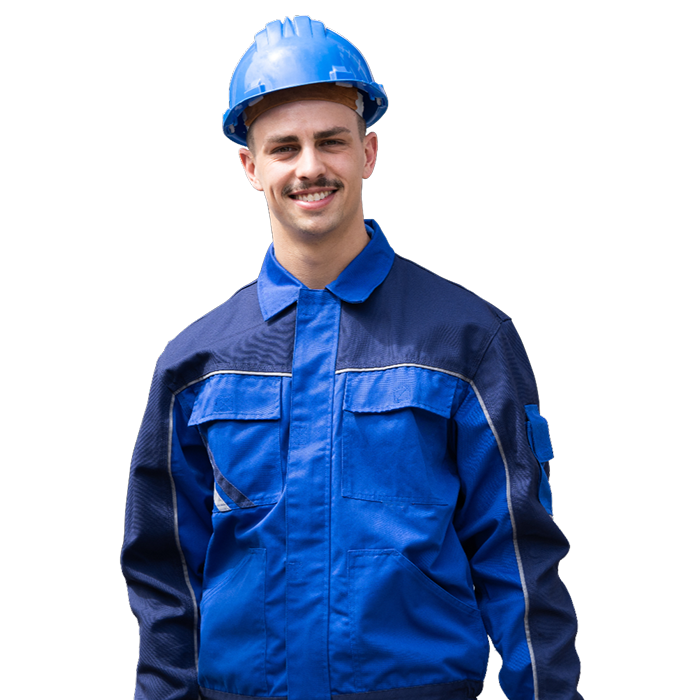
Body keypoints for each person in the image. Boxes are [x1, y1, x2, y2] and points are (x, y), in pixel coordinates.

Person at [121, 15, 583, 700]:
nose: (310, 167)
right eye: (284, 147)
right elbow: (165, 576)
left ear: (368, 152)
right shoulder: (195, 361)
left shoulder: (467, 339)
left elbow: (520, 560)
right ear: (251, 167)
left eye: (331, 141)